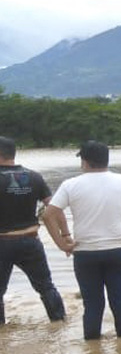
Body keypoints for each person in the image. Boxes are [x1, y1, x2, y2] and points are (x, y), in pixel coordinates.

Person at [43, 140, 121, 339]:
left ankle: (92, 350)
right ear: (106, 159)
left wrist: (62, 243)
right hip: (118, 251)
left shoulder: (70, 185)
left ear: (84, 161)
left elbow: (48, 215)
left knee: (92, 305)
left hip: (85, 253)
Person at [0, 136, 66, 326]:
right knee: (46, 286)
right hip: (30, 240)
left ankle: (2, 335)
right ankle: (60, 322)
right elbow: (54, 208)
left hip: (2, 242)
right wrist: (65, 236)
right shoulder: (34, 176)